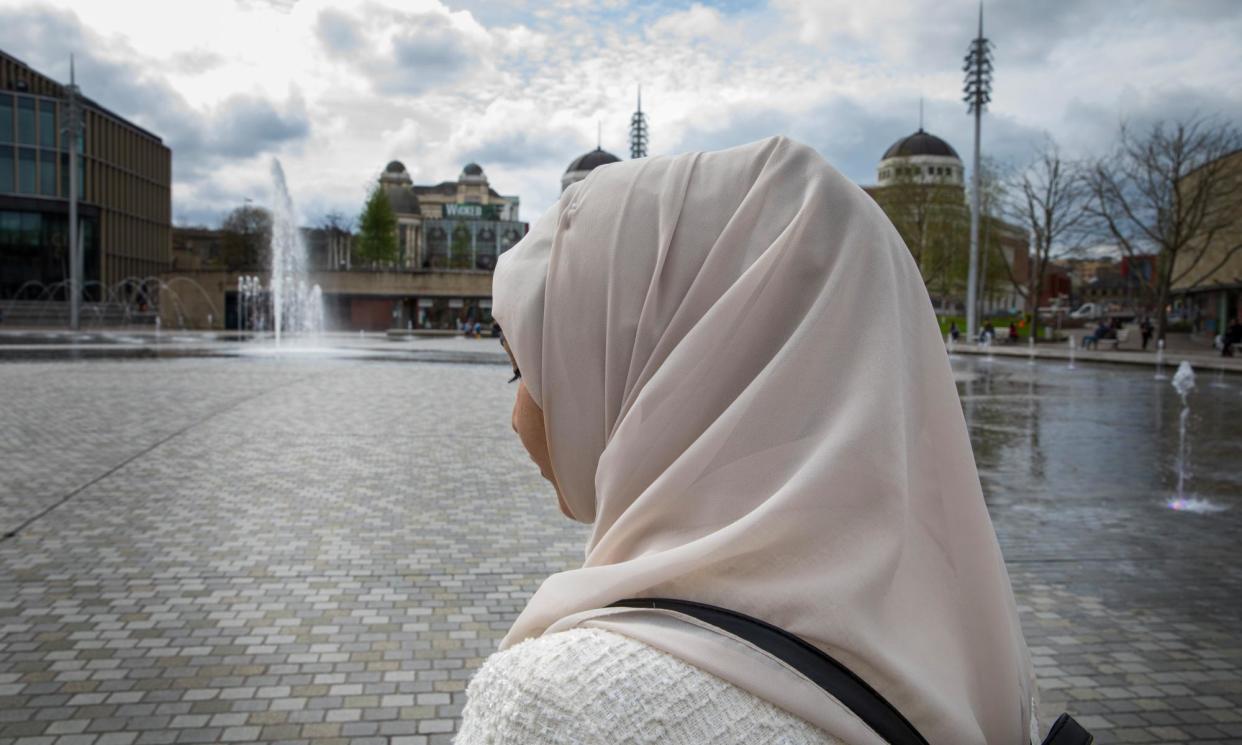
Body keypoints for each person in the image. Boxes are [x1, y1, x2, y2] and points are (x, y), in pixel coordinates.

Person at [458, 136, 1037, 745]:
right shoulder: (968, 648)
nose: (518, 415)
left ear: (640, 369)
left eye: (523, 369)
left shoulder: (563, 708)